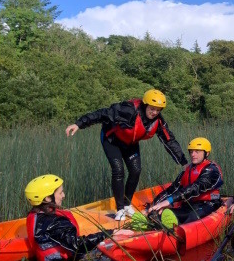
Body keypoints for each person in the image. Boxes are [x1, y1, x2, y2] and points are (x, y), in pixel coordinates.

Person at [65, 89, 188, 221]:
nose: (154, 113)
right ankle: (119, 210)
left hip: (130, 143)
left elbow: (169, 140)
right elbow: (102, 114)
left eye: (158, 110)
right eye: (152, 109)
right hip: (111, 140)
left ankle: (127, 204)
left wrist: (184, 162)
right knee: (118, 170)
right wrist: (79, 124)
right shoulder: (127, 110)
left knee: (136, 170)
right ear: (145, 105)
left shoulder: (157, 121)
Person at [25, 174, 131, 261]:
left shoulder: (35, 215)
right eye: (60, 193)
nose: (64, 195)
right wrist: (110, 234)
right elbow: (78, 245)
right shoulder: (55, 222)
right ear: (47, 198)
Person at [143, 137, 223, 227]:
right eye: (191, 151)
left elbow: (195, 188)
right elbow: (171, 190)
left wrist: (170, 200)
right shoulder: (187, 171)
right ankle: (166, 228)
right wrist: (153, 206)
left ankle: (178, 230)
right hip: (189, 207)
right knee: (155, 215)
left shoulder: (212, 170)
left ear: (206, 153)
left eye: (197, 151)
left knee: (192, 218)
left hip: (207, 205)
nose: (193, 154)